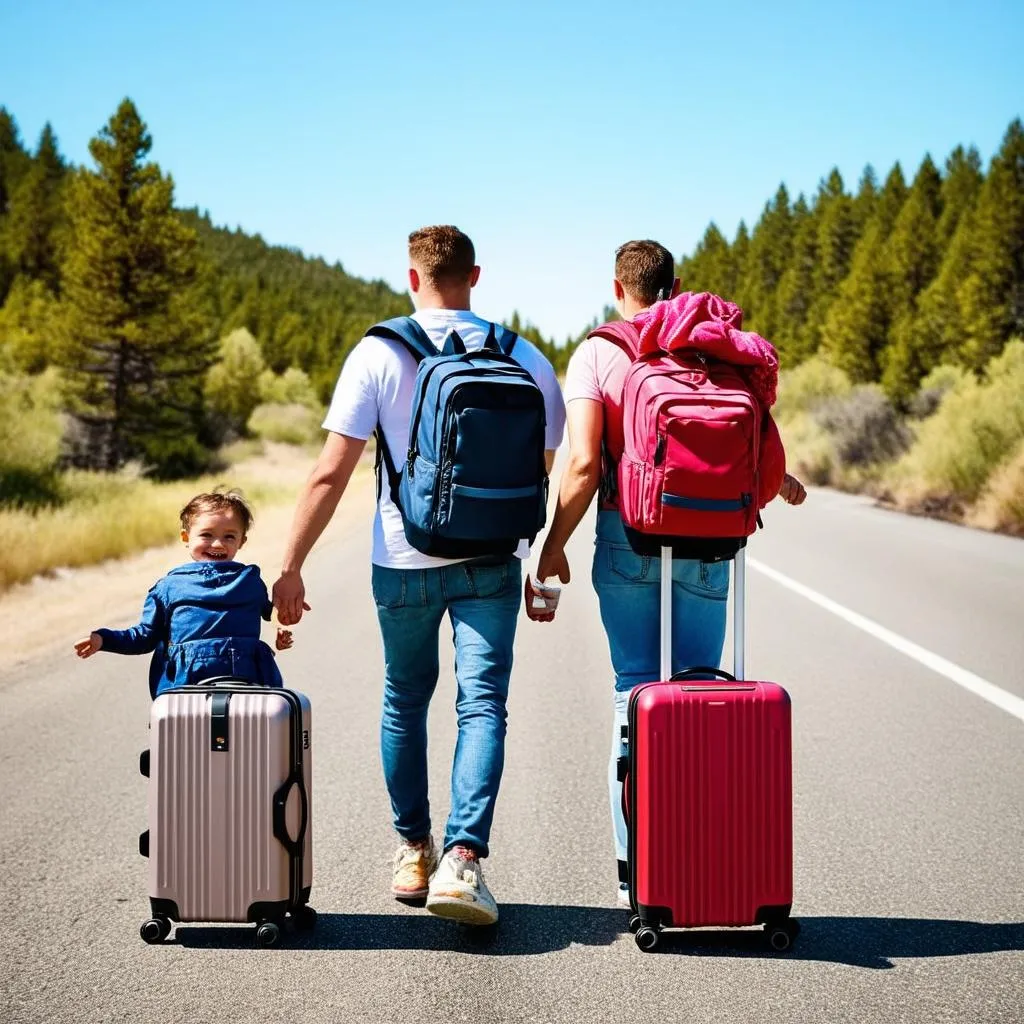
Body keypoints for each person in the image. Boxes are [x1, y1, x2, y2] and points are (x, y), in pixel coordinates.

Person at [272, 225, 565, 926]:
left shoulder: (379, 351)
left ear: (412, 278)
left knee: (405, 699)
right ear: (476, 275)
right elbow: (544, 466)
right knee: (482, 704)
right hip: (492, 559)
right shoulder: (522, 354)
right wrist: (538, 551)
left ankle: (412, 850)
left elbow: (331, 472)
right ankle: (464, 862)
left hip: (402, 560)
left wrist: (289, 566)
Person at [534, 240, 806, 906]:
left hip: (629, 536)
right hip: (712, 546)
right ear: (677, 285)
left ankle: (641, 877)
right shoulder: (719, 348)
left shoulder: (601, 351)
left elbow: (581, 464)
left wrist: (552, 547)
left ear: (616, 286)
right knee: (696, 700)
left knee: (635, 697)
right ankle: (701, 867)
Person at [74, 491, 294, 697]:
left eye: (229, 536)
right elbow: (144, 636)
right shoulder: (170, 587)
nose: (217, 544)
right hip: (186, 686)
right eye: (206, 534)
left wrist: (281, 624)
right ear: (186, 537)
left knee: (259, 730)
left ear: (242, 541)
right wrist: (104, 639)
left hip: (248, 679)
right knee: (183, 735)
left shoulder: (250, 581)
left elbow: (268, 611)